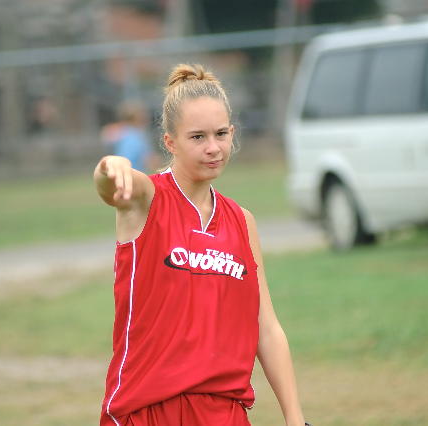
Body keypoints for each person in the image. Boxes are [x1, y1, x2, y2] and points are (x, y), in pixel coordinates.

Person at [94, 64, 310, 426]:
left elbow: (267, 329)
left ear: (232, 133)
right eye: (197, 137)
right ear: (170, 142)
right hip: (150, 411)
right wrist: (108, 168)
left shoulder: (241, 221)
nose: (213, 148)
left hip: (224, 413)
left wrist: (295, 418)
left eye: (221, 134)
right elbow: (114, 188)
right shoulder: (148, 199)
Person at [100, 101, 155, 173]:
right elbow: (148, 159)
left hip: (119, 171)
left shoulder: (121, 131)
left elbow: (106, 136)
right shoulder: (138, 136)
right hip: (134, 173)